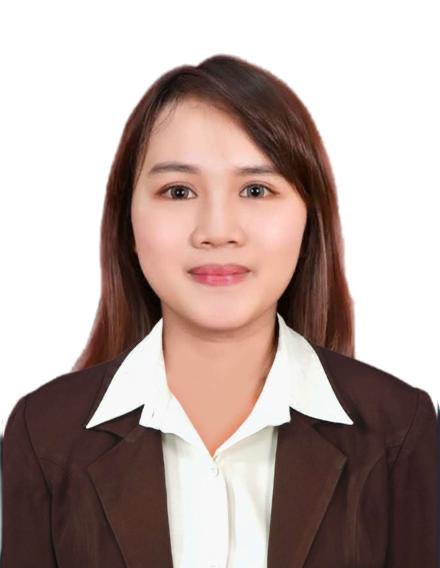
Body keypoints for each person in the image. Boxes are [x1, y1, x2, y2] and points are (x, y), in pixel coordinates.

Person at [1, 55, 437, 567]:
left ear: (308, 219)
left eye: (256, 190)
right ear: (128, 222)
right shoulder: (44, 435)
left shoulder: (398, 431)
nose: (217, 230)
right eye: (178, 191)